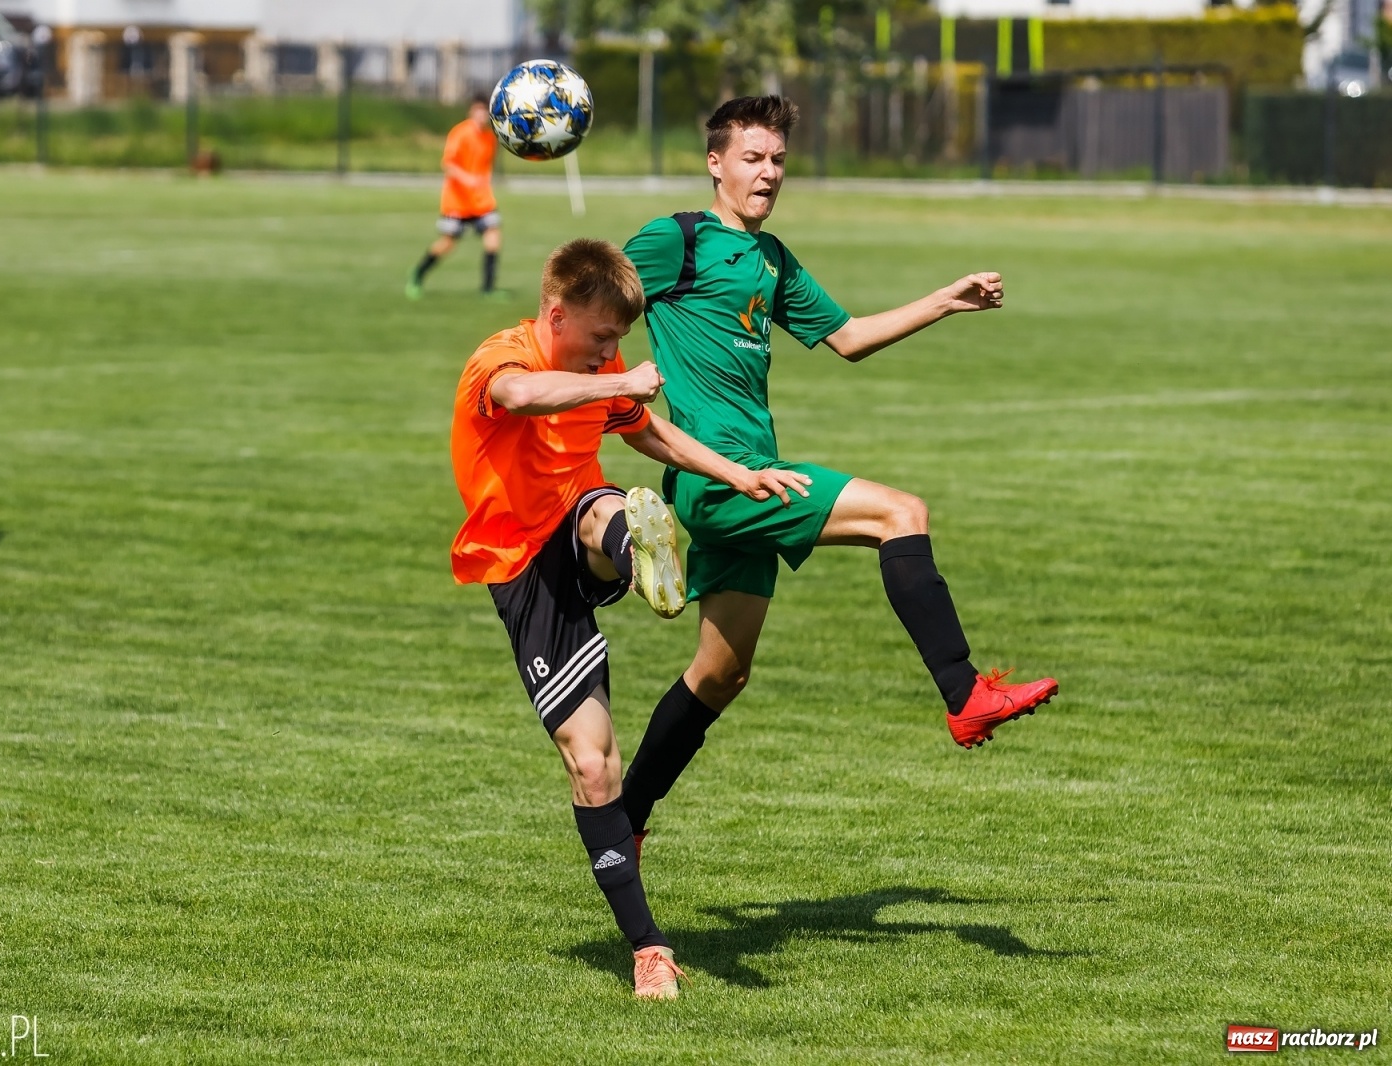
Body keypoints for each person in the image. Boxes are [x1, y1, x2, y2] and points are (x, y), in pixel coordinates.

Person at [617, 96, 1059, 847]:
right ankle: (964, 692)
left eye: (779, 160)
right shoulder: (676, 242)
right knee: (900, 513)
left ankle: (622, 820)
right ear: (715, 163)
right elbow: (588, 298)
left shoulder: (771, 258)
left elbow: (849, 337)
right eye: (752, 158)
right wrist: (606, 379)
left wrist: (945, 302)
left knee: (721, 674)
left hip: (750, 477)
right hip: (724, 480)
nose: (768, 173)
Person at [451, 238, 810, 998]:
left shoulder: (601, 371)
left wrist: (737, 472)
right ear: (557, 313)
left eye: (619, 341)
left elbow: (644, 430)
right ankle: (648, 948)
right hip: (521, 571)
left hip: (578, 523)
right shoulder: (503, 357)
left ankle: (635, 546)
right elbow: (518, 397)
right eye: (600, 338)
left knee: (602, 506)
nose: (612, 353)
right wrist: (612, 384)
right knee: (593, 763)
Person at [408, 95, 502, 300]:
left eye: (485, 110)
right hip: (457, 200)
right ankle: (417, 275)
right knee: (447, 243)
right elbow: (448, 164)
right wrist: (467, 179)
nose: (481, 115)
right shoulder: (460, 133)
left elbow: (486, 166)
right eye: (478, 110)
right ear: (470, 111)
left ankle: (488, 289)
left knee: (493, 238)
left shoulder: (490, 138)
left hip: (481, 200)